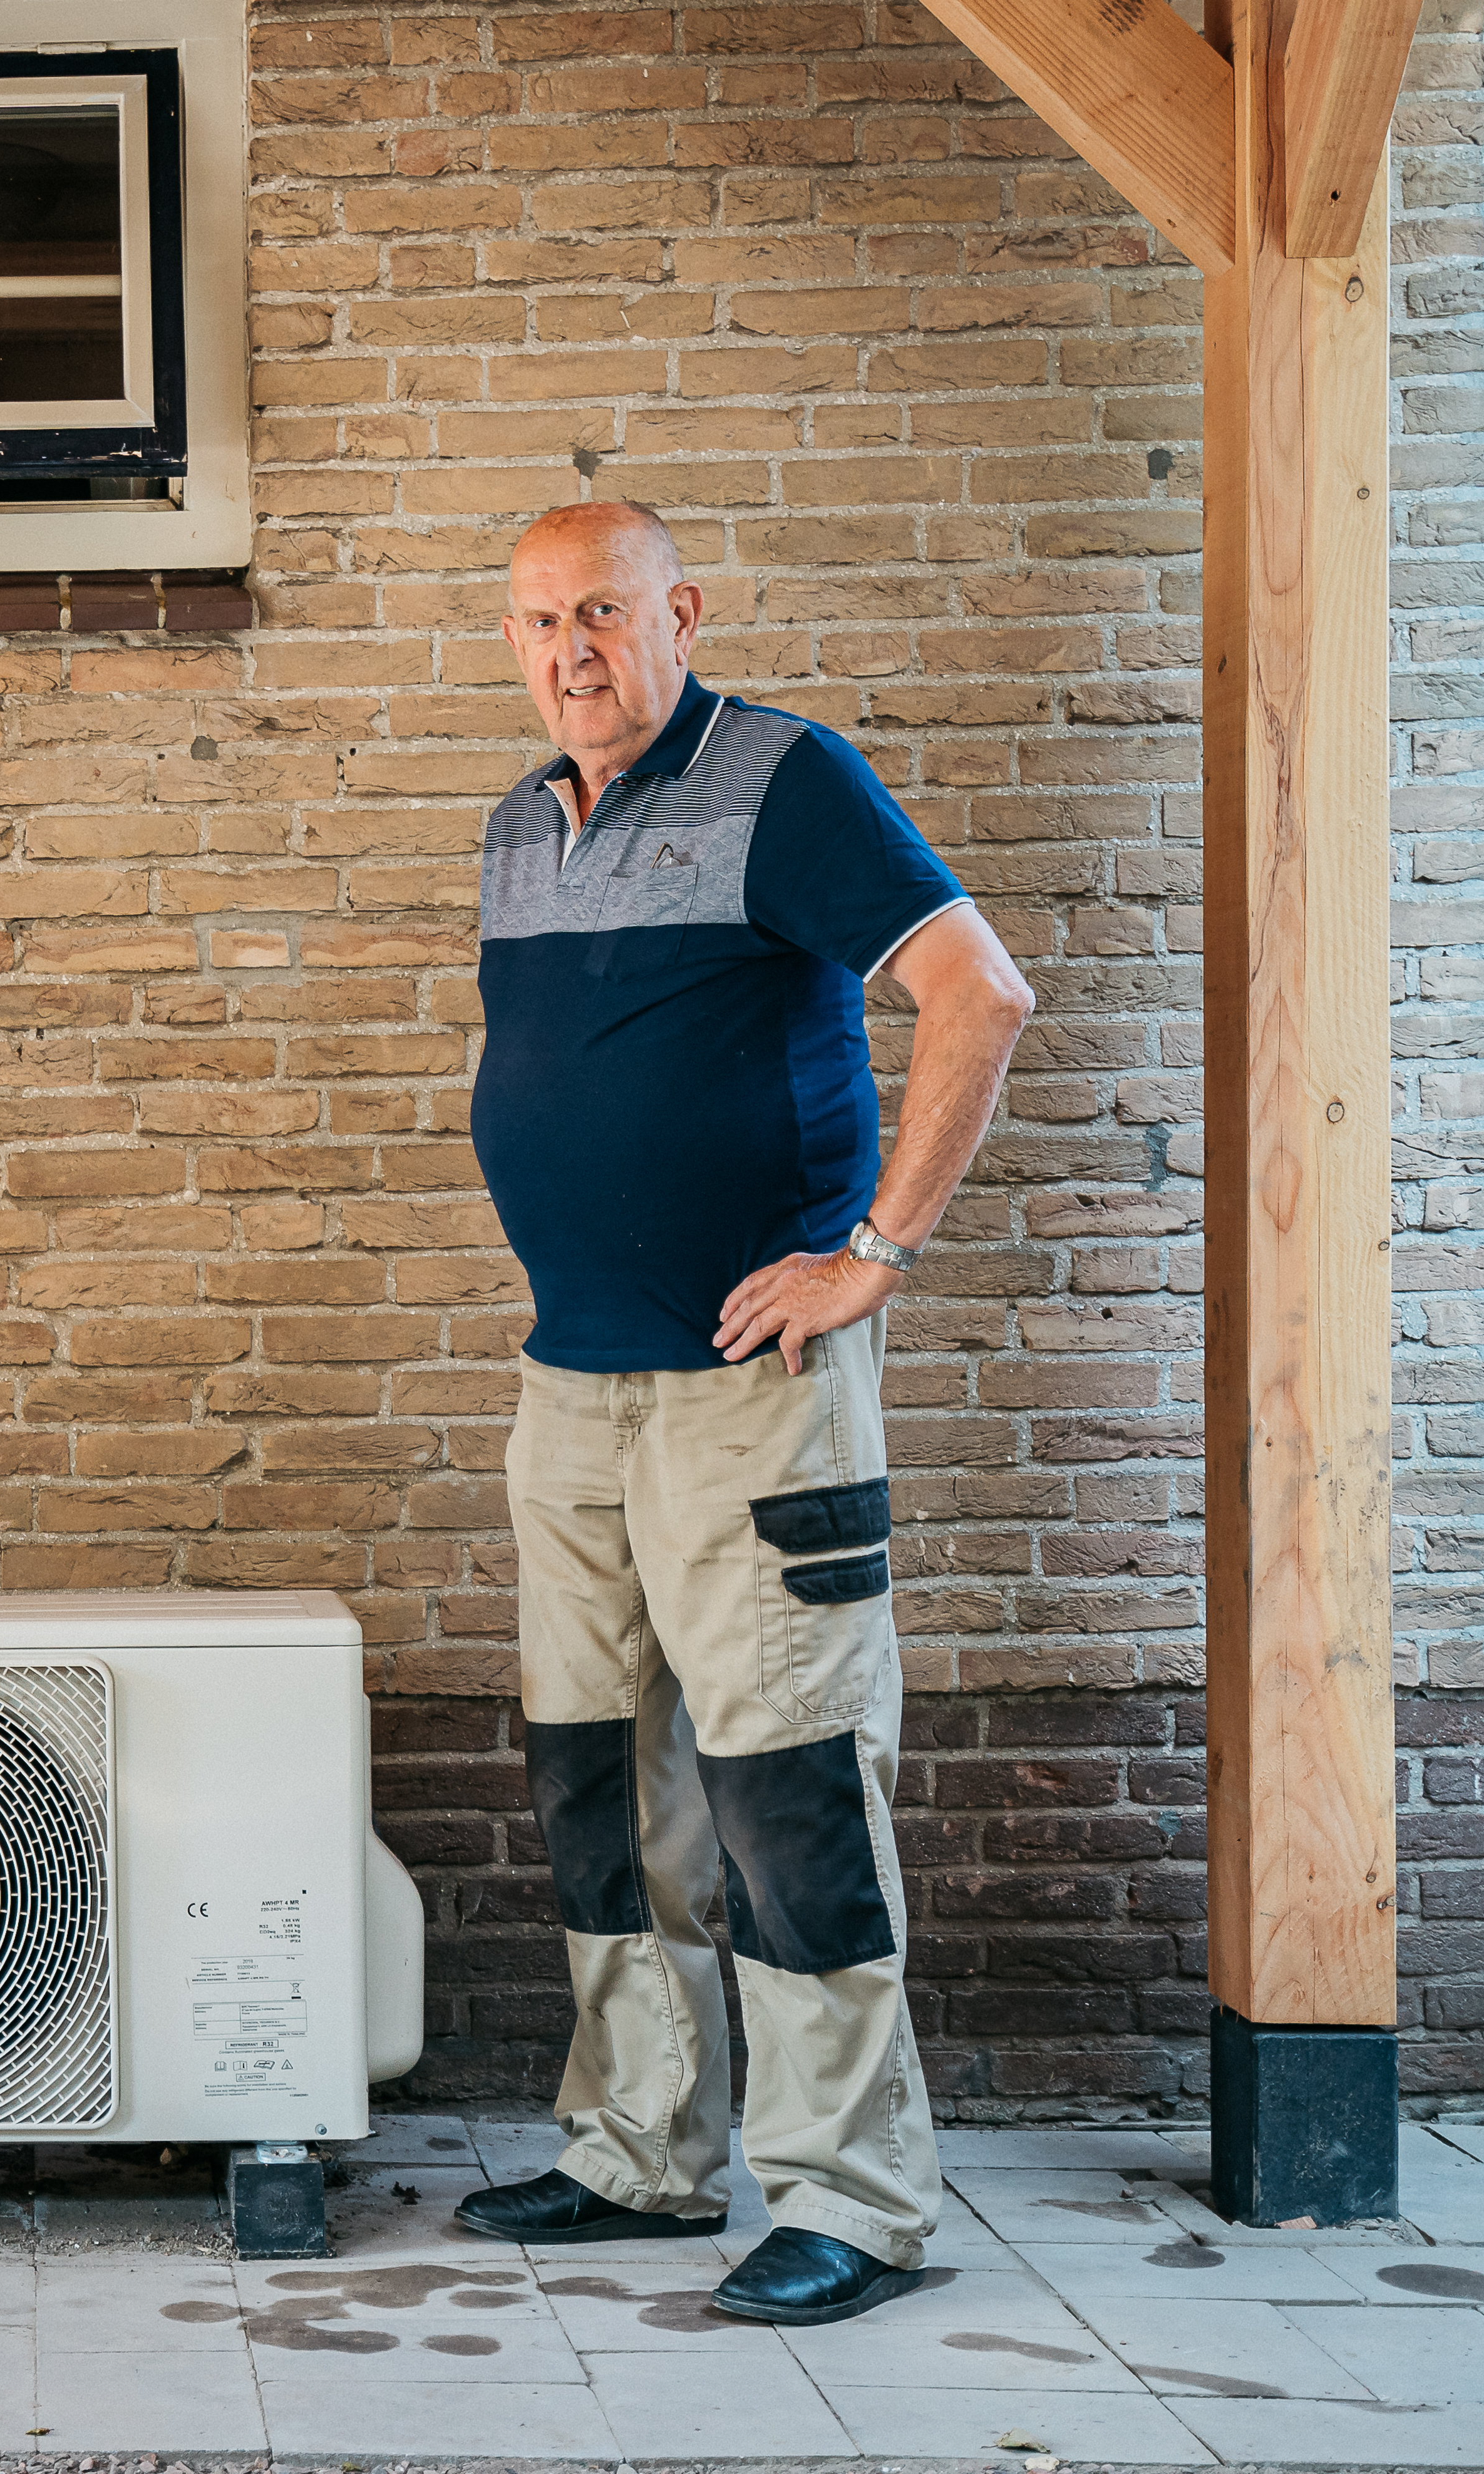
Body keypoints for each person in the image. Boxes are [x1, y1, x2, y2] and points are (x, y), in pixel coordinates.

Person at [451, 503, 1035, 2326]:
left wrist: (871, 1249)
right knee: (597, 1791)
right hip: (570, 1389)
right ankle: (639, 2156)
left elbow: (974, 990)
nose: (572, 650)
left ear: (676, 613)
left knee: (783, 1787)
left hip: (747, 1395)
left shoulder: (782, 781)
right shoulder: (513, 824)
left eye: (603, 613)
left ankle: (851, 2202)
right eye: (540, 621)